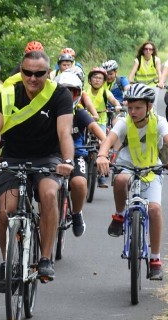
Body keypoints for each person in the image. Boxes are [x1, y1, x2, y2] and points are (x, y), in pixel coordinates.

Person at [0, 50, 75, 288]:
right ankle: (5, 260)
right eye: (27, 73)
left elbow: (64, 133)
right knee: (4, 212)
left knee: (49, 194)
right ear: (21, 71)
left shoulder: (60, 95)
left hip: (48, 158)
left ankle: (46, 257)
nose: (32, 78)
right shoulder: (8, 94)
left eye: (39, 74)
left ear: (48, 73)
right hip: (14, 157)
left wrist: (67, 161)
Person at [96, 83, 168, 280]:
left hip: (152, 167)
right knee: (120, 179)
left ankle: (155, 259)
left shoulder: (159, 122)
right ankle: (119, 215)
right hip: (127, 163)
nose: (132, 112)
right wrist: (102, 156)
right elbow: (109, 140)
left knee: (154, 210)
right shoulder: (124, 122)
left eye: (138, 108)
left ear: (149, 107)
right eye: (130, 107)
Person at [56, 71, 107, 236]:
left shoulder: (80, 113)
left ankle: (77, 213)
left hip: (77, 155)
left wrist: (103, 149)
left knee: (79, 183)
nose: (66, 96)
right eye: (62, 91)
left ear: (77, 94)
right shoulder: (49, 112)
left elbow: (96, 130)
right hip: (52, 155)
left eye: (70, 92)